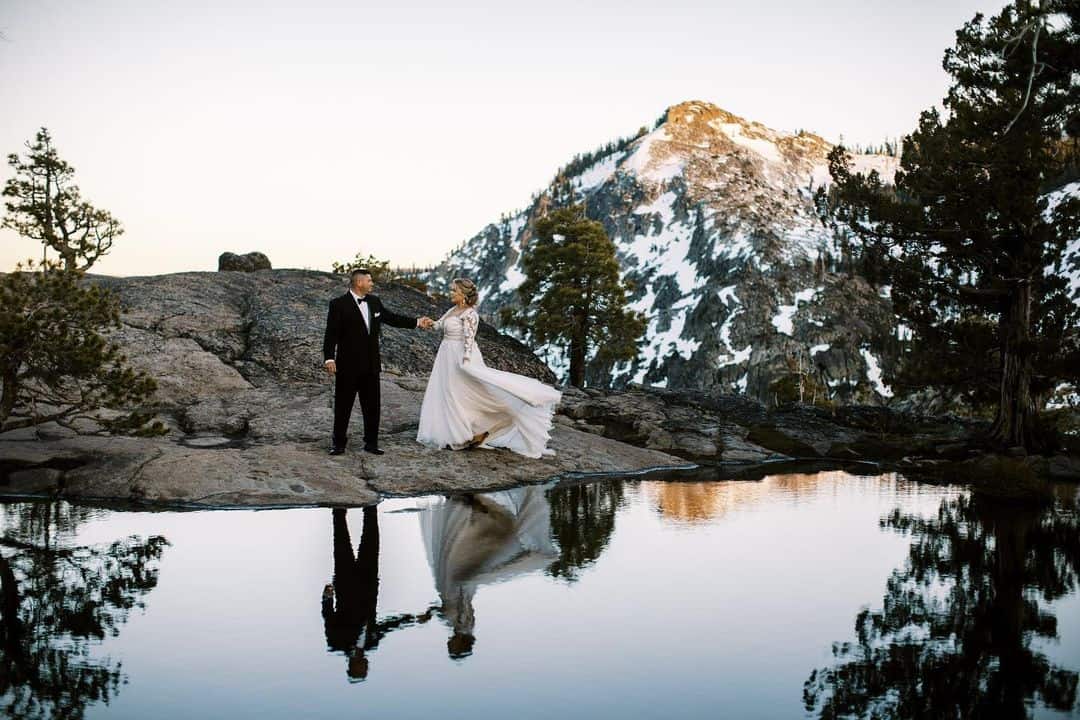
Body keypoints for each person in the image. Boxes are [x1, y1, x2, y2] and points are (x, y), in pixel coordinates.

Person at [416, 278, 561, 458]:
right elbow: (439, 325)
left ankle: (470, 432)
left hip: (460, 356)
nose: (451, 293)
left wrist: (466, 361)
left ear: (463, 294)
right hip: (445, 355)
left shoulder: (470, 314)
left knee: (462, 393)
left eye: (454, 290)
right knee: (448, 392)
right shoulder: (452, 310)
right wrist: (429, 323)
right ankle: (455, 433)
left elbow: (469, 339)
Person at [322, 268, 434, 455]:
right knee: (343, 406)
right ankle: (338, 444)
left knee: (372, 407)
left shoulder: (374, 302)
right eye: (369, 280)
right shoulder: (338, 304)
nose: (372, 283)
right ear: (359, 283)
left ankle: (371, 444)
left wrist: (416, 322)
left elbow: (392, 318)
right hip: (347, 366)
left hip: (371, 365)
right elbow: (330, 334)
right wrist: (329, 358)